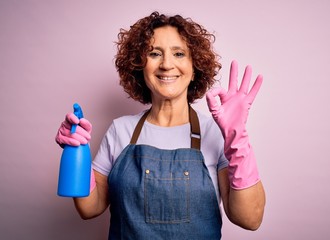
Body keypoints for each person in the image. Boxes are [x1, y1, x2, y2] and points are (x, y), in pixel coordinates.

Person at [55, 11, 265, 239]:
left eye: (179, 53)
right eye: (154, 53)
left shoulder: (214, 133)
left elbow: (249, 219)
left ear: (195, 68)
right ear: (140, 66)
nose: (167, 64)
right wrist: (76, 152)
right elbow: (89, 208)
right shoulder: (120, 130)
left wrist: (237, 137)